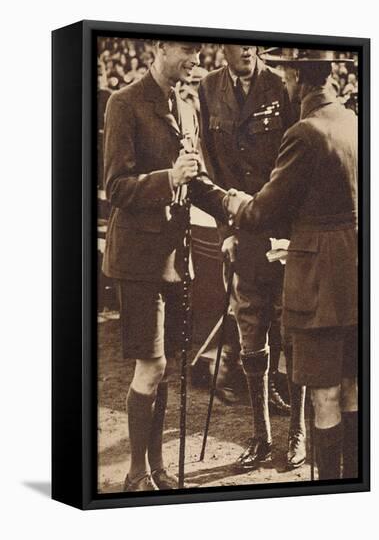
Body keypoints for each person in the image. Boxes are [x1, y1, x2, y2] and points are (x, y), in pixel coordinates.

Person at [224, 49, 358, 480]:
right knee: (352, 390)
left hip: (318, 285)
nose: (282, 81)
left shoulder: (305, 132)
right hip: (355, 278)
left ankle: (332, 493)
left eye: (285, 73)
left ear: (298, 78)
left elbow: (266, 211)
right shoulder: (353, 121)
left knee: (324, 397)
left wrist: (236, 203)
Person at [102, 41, 226, 492]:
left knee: (166, 366)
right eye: (186, 50)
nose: (196, 59)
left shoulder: (188, 104)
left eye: (199, 52)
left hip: (175, 259)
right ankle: (136, 472)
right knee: (151, 365)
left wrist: (231, 202)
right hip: (138, 260)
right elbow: (115, 186)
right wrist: (167, 179)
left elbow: (195, 179)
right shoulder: (124, 104)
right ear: (159, 48)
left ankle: (155, 467)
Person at [199, 44, 306, 470]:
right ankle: (261, 437)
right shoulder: (208, 89)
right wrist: (226, 230)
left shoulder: (281, 85)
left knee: (293, 333)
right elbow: (210, 170)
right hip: (242, 235)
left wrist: (291, 229)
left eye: (252, 44)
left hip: (282, 232)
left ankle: (297, 433)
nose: (246, 50)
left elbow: (300, 163)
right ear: (221, 47)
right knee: (251, 338)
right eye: (236, 43)